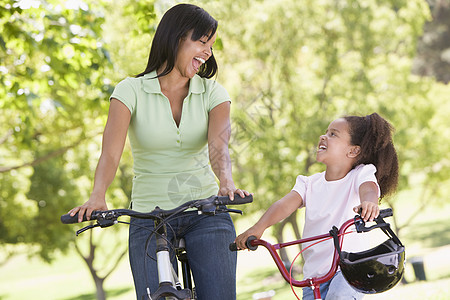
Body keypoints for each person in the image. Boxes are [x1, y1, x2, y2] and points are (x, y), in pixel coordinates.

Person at [68, 4, 249, 299]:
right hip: (149, 216)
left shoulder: (213, 93)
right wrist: (97, 195)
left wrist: (226, 183)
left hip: (205, 211)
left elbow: (220, 148)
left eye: (211, 46)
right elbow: (111, 152)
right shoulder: (130, 91)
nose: (208, 52)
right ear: (177, 37)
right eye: (202, 42)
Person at [235, 112, 399, 300]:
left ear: (353, 151)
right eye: (326, 132)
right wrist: (258, 228)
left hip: (348, 272)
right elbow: (283, 205)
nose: (323, 136)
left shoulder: (360, 175)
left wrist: (368, 202)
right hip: (314, 278)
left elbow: (369, 188)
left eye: (333, 134)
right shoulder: (308, 184)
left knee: (337, 297)